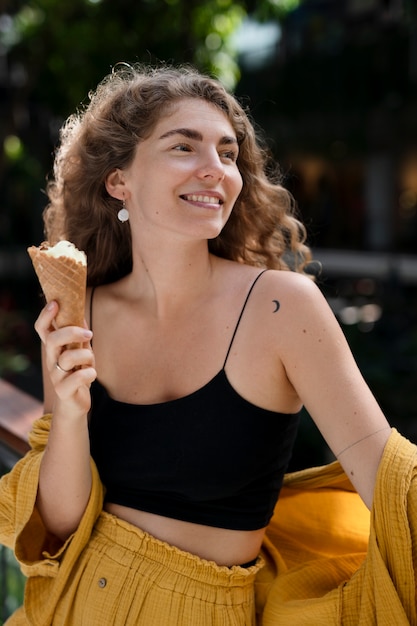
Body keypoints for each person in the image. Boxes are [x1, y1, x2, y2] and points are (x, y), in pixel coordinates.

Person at [1, 62, 415, 626]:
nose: (215, 170)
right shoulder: (81, 310)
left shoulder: (280, 307)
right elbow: (61, 522)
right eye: (184, 147)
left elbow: (391, 480)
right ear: (119, 180)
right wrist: (71, 414)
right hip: (68, 606)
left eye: (227, 153)